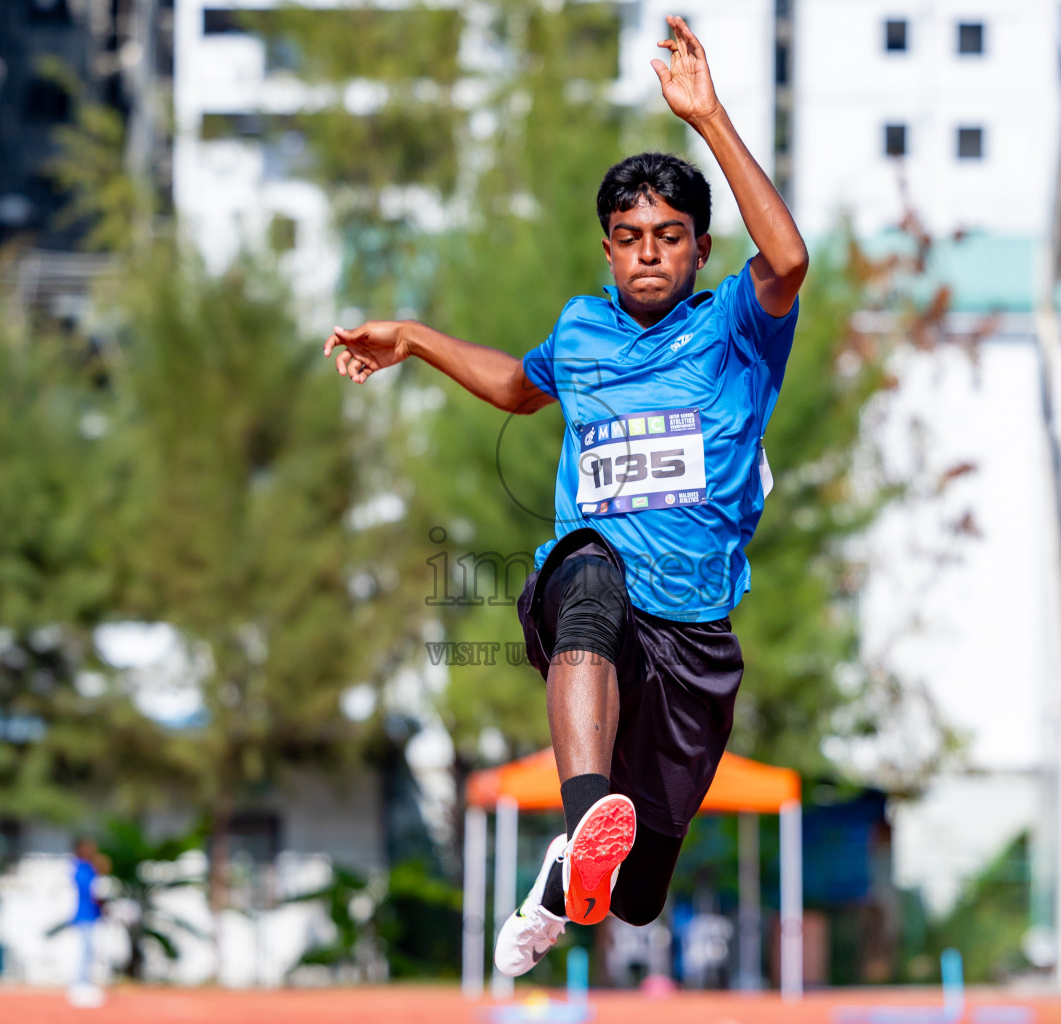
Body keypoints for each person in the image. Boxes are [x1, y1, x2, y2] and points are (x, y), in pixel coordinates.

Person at [327, 15, 806, 976]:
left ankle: (569, 879)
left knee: (634, 898)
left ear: (701, 249)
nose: (648, 254)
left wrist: (708, 117)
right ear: (606, 249)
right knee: (584, 568)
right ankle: (584, 812)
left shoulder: (738, 328)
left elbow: (789, 258)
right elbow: (518, 385)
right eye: (628, 238)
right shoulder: (583, 331)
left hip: (696, 635)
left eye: (670, 237)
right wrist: (415, 338)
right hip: (603, 598)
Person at [68, 837, 107, 1006]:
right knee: (85, 951)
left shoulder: (89, 868)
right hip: (85, 915)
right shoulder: (81, 868)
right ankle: (80, 984)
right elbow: (92, 891)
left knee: (89, 951)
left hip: (92, 915)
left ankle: (85, 983)